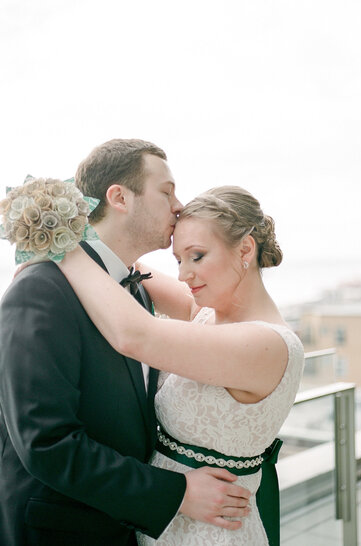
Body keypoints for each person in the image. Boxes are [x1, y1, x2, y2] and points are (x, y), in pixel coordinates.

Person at [0, 140, 251, 546]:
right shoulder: (40, 289)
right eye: (166, 191)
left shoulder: (133, 291)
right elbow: (46, 443)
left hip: (120, 528)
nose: (178, 205)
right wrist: (177, 491)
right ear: (119, 197)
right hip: (57, 531)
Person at [55, 185, 305, 545]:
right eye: (178, 260)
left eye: (197, 256)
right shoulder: (204, 314)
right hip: (165, 520)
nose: (185, 274)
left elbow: (134, 335)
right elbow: (129, 264)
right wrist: (87, 220)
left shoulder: (267, 344)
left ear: (245, 249)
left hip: (211, 533)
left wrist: (59, 246)